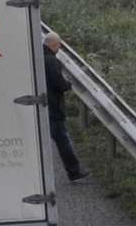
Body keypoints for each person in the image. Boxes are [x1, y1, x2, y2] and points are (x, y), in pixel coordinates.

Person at [44, 31, 88, 182]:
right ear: (53, 44)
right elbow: (59, 84)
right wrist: (68, 84)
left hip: (42, 106)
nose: (59, 48)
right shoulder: (51, 61)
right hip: (53, 107)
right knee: (63, 140)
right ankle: (74, 172)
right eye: (58, 45)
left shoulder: (37, 58)